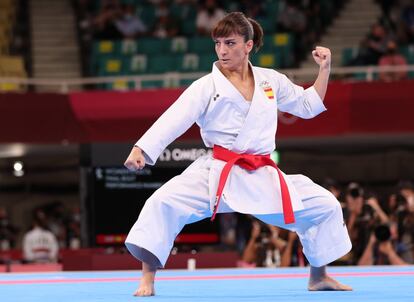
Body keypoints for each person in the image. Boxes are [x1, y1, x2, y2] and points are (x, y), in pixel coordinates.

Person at [124, 12, 352, 296]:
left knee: (324, 205)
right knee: (162, 202)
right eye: (218, 43)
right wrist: (141, 149)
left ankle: (319, 276)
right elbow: (174, 119)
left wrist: (325, 69)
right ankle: (147, 279)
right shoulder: (206, 86)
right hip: (217, 171)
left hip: (262, 172)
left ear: (248, 45)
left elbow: (307, 105)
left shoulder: (270, 81)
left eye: (230, 43)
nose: (222, 50)